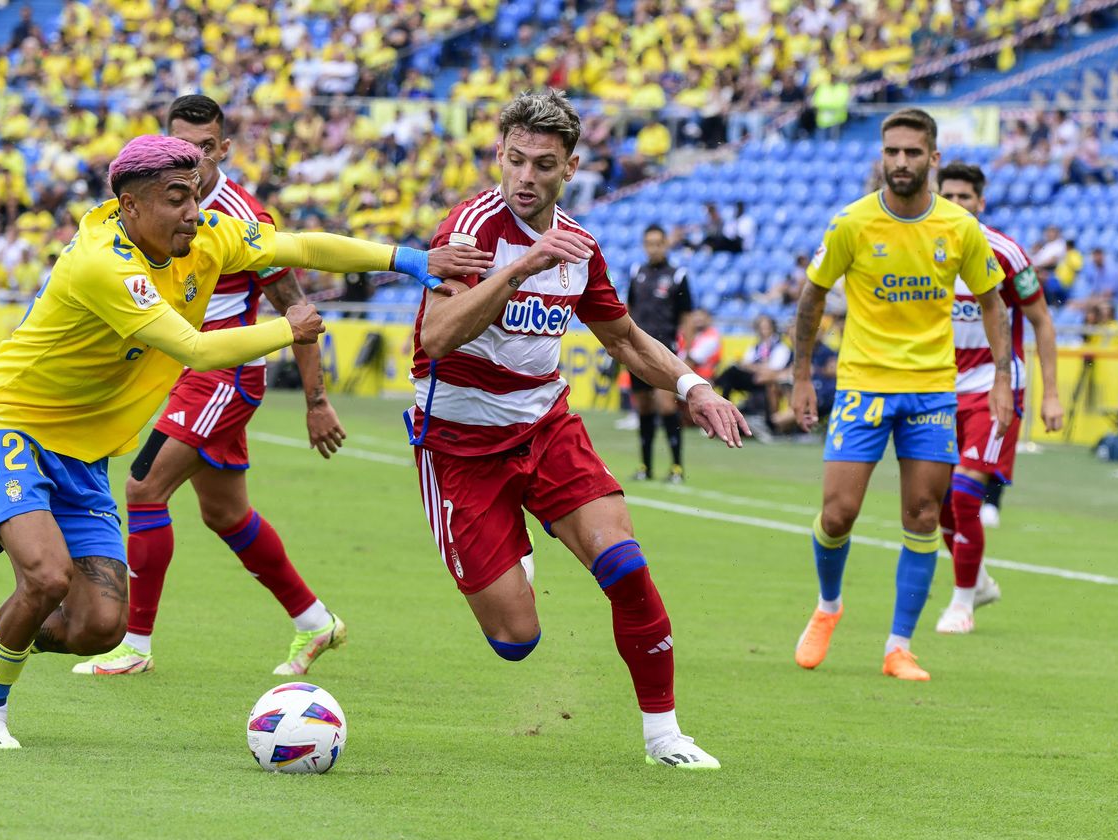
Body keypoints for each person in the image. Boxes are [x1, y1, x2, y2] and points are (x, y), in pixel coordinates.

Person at [0, 134, 486, 748]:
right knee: (47, 576)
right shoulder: (102, 262)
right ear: (130, 207)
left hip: (80, 453)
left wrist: (409, 260)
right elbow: (193, 350)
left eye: (195, 195)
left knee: (100, 627)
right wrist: (285, 328)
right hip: (7, 424)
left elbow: (298, 245)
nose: (194, 211)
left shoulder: (208, 235)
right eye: (176, 199)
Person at [410, 89, 748, 769]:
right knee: (515, 639)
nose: (526, 177)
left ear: (570, 169)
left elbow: (622, 338)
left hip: (545, 426)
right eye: (515, 160)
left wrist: (693, 386)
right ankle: (515, 548)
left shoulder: (579, 247)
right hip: (459, 445)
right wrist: (520, 268)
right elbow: (438, 335)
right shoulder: (469, 233)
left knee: (623, 563)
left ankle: (663, 737)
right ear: (497, 157)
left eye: (543, 163)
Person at [71, 95, 352, 678]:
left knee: (143, 489)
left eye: (204, 148)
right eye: (182, 145)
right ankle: (315, 621)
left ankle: (135, 645)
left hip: (221, 376)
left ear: (223, 149)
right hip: (187, 372)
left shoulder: (243, 218)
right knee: (227, 515)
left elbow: (295, 308)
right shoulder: (155, 204)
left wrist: (317, 400)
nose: (192, 159)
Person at [789, 108, 1016, 682]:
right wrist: (799, 378)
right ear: (881, 156)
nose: (901, 162)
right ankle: (829, 606)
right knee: (838, 514)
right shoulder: (853, 223)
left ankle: (898, 647)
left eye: (913, 152)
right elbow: (812, 298)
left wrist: (1001, 378)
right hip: (864, 386)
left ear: (933, 159)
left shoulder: (959, 229)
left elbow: (993, 301)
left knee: (920, 515)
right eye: (892, 151)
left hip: (931, 392)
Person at [931, 162, 1064, 635]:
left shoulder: (1006, 252)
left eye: (965, 197)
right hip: (936, 386)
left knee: (966, 492)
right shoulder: (922, 249)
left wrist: (1051, 394)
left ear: (980, 203)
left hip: (994, 384)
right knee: (937, 501)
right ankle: (979, 579)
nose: (956, 204)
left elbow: (1043, 320)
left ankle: (962, 603)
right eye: (948, 195)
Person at [625, 223, 694, 482]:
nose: (653, 248)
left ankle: (677, 467)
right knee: (643, 407)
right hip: (637, 350)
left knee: (666, 404)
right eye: (649, 243)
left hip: (666, 350)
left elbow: (687, 316)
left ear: (665, 244)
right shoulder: (637, 273)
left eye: (658, 243)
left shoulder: (678, 275)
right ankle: (646, 466)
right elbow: (628, 308)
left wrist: (685, 351)